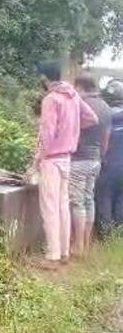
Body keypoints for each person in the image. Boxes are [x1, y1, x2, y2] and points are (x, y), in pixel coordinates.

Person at [33, 62, 98, 267]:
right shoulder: (73, 95)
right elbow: (92, 118)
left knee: (50, 207)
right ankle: (63, 253)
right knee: (62, 205)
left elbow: (47, 133)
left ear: (45, 78)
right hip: (67, 157)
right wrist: (73, 131)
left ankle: (52, 256)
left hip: (51, 159)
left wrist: (38, 158)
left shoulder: (51, 99)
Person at [69, 75, 111, 256]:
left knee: (77, 202)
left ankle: (78, 246)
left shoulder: (81, 105)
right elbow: (106, 138)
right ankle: (86, 242)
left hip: (79, 159)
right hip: (95, 160)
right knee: (88, 199)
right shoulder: (106, 107)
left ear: (80, 87)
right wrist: (101, 157)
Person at [96, 80, 123, 234]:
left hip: (108, 165)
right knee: (121, 198)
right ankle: (119, 232)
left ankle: (106, 234)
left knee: (104, 196)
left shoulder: (106, 115)